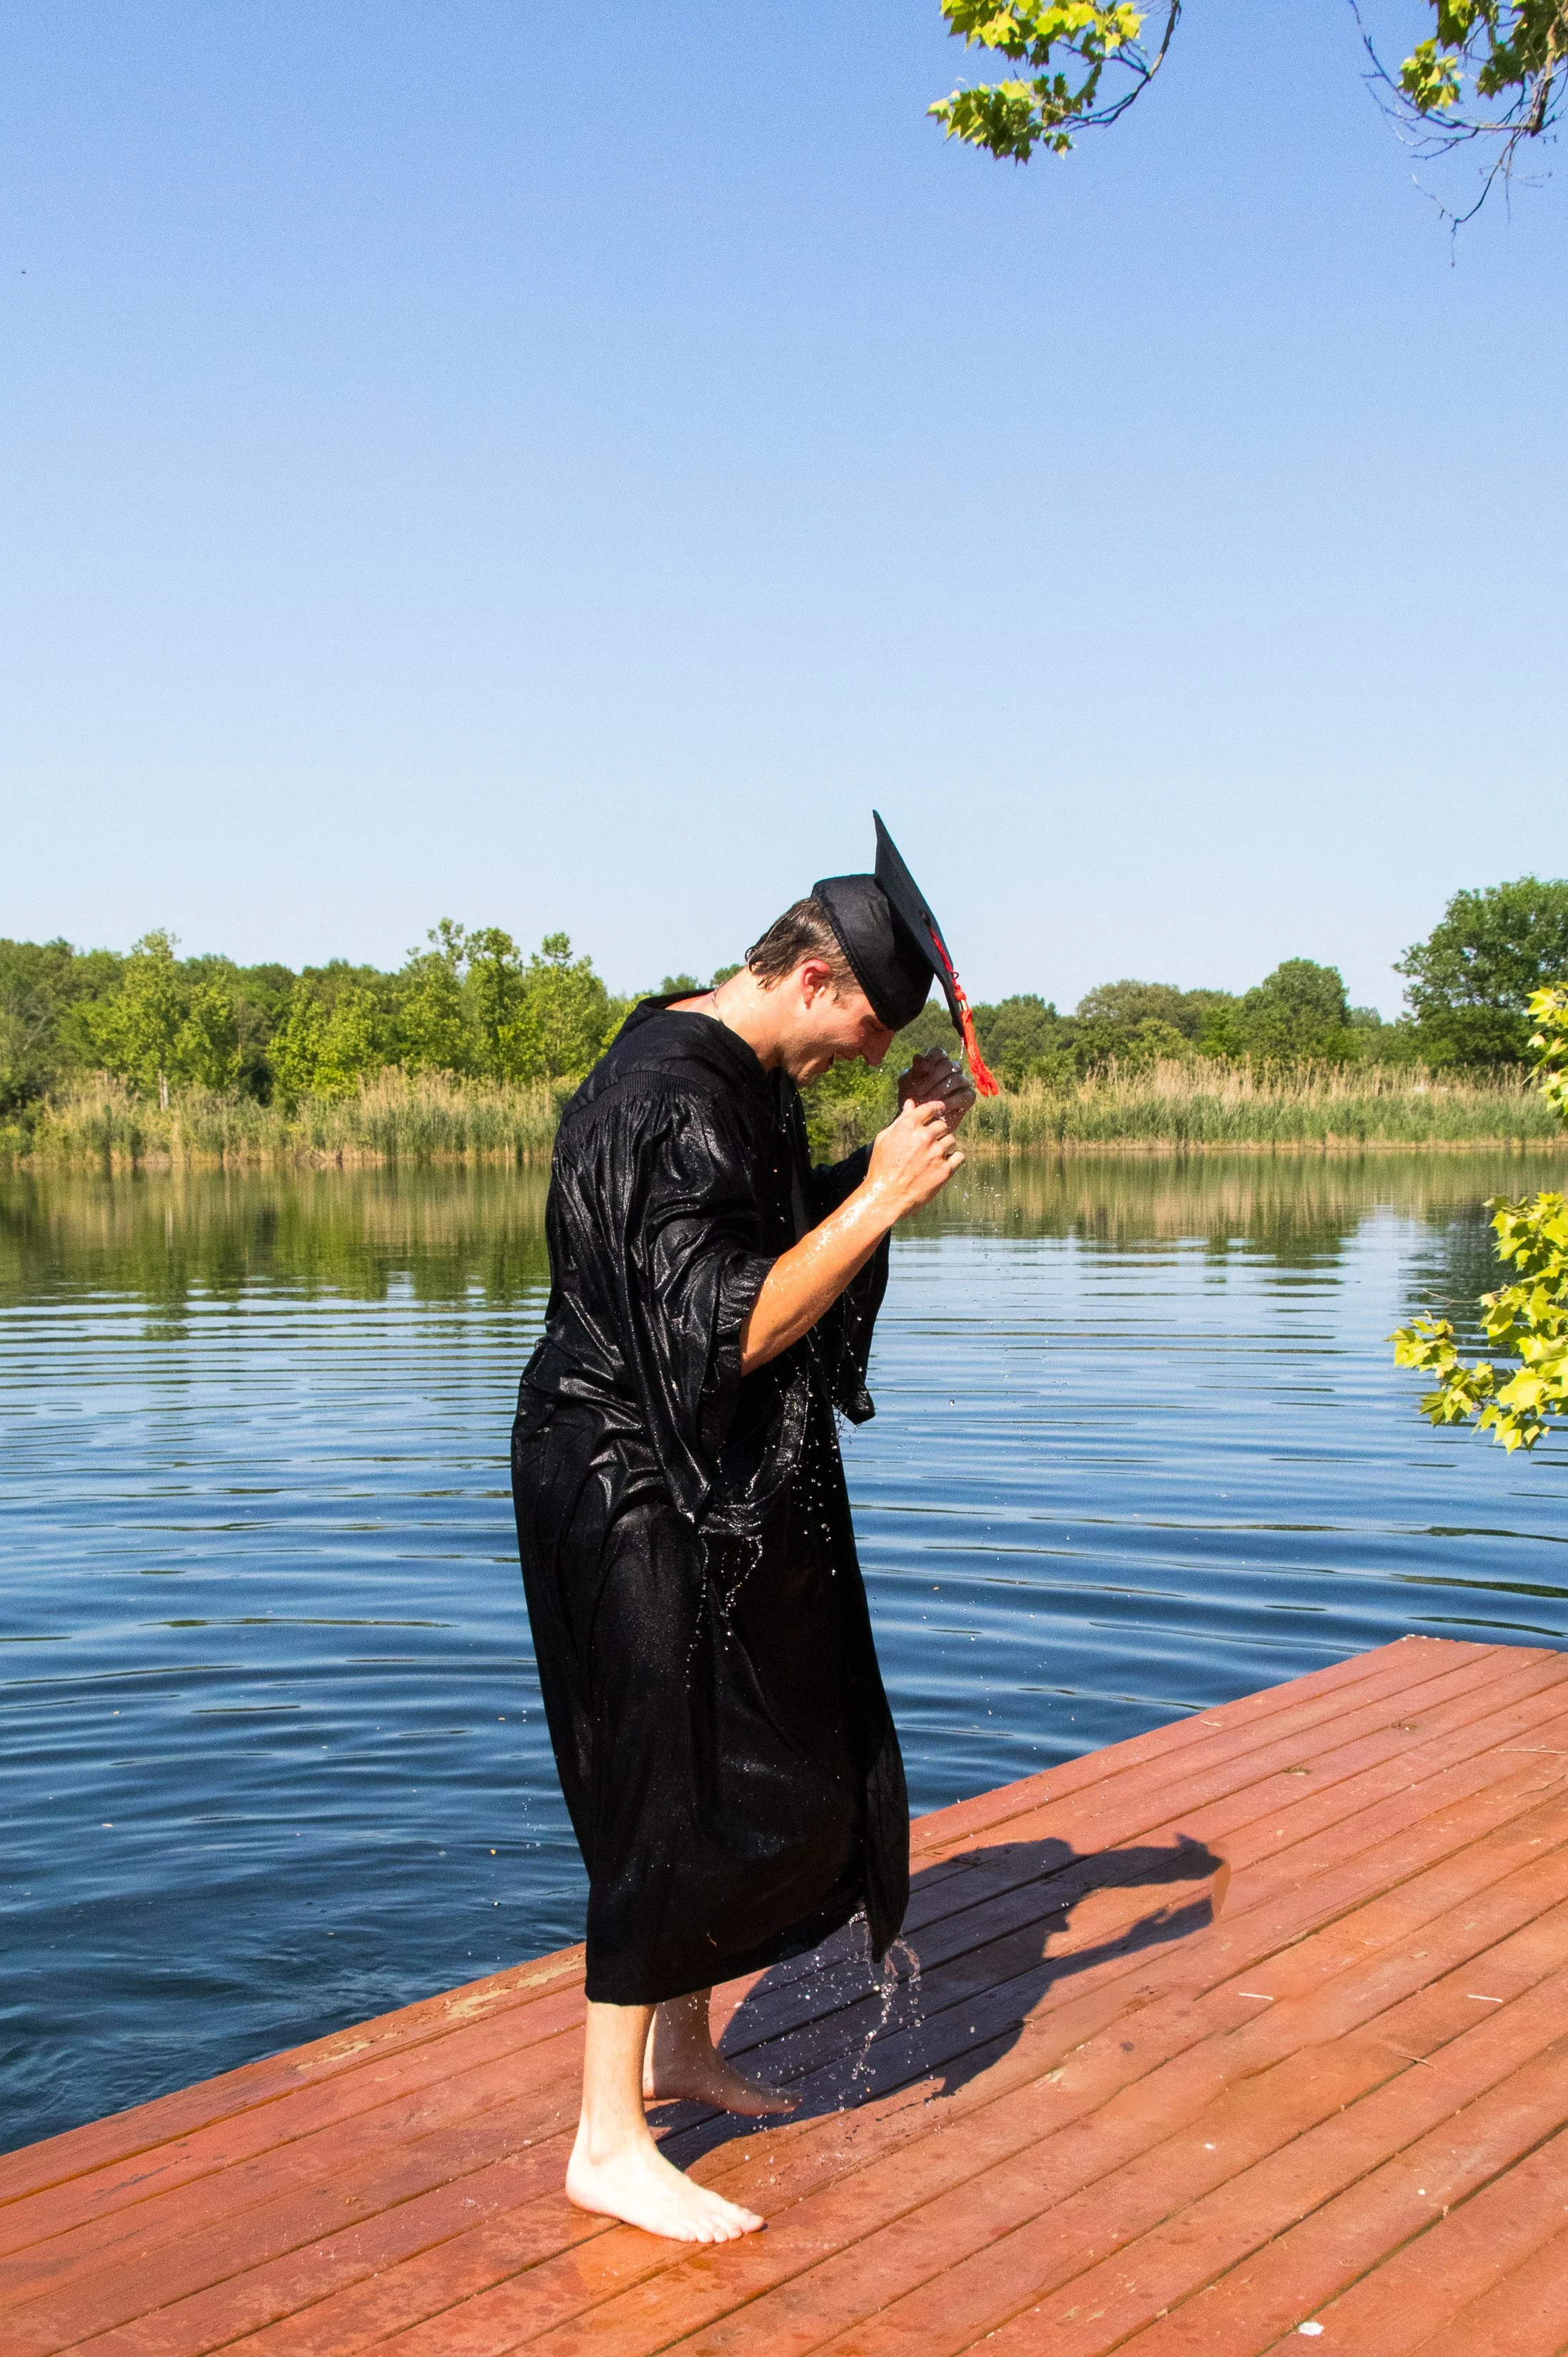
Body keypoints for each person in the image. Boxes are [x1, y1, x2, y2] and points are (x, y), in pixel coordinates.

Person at [510, 816, 994, 2243]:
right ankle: (607, 2140)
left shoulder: (737, 1068)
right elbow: (726, 1332)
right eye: (861, 1037)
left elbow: (766, 1252)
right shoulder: (669, 1095)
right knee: (663, 1767)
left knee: (738, 1733)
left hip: (685, 1462)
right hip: (623, 1470)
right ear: (818, 984)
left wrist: (884, 1162)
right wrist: (891, 1194)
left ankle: (682, 2048)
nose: (852, 1059)